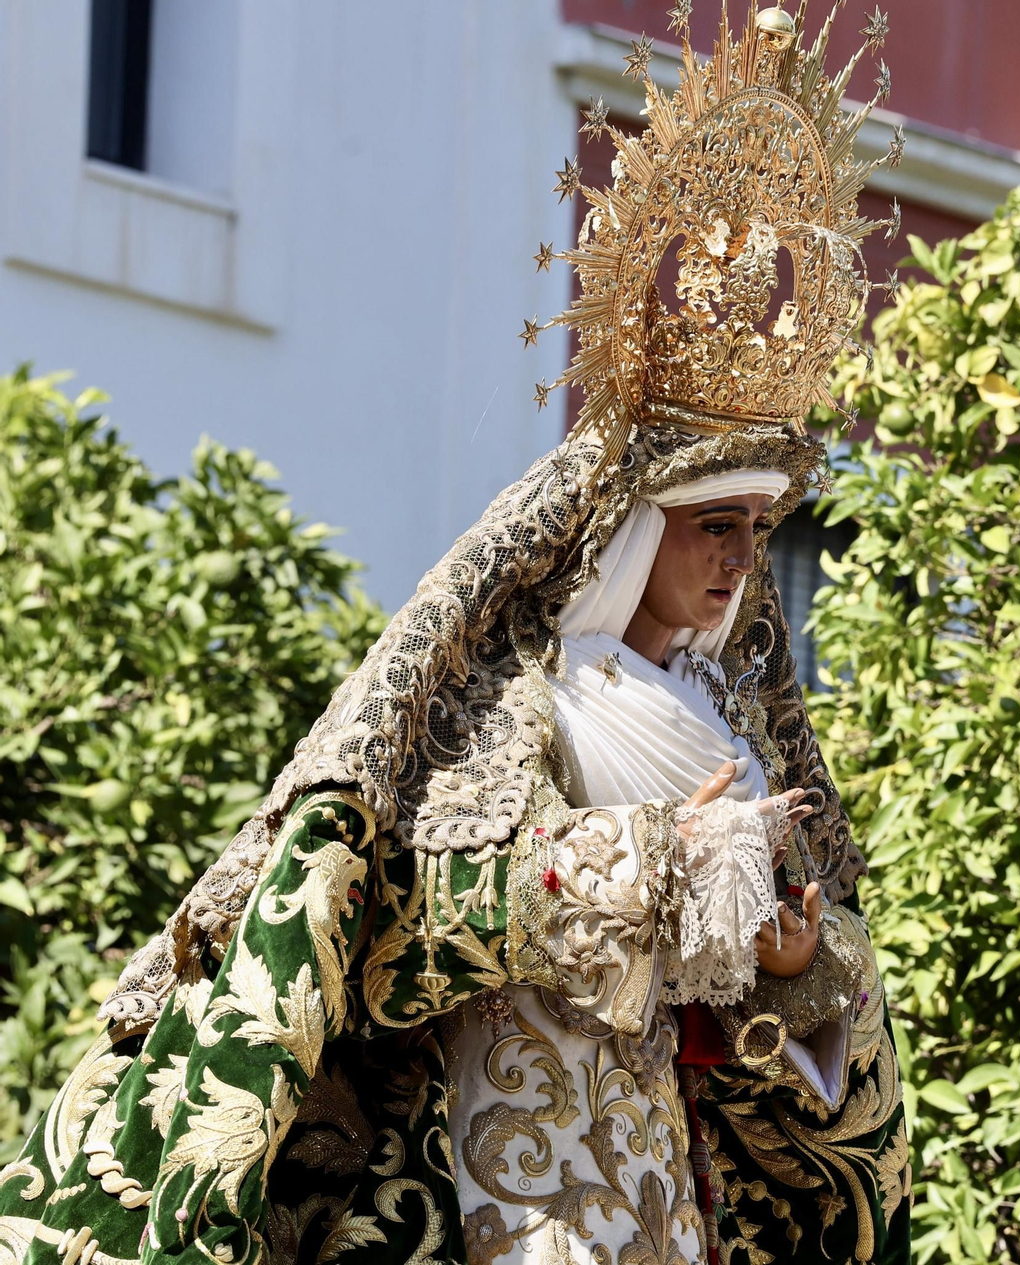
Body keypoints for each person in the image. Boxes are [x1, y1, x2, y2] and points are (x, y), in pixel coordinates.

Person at [0, 4, 909, 1265]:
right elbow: (402, 913)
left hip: (660, 1172)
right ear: (629, 530)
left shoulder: (735, 722)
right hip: (497, 1164)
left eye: (760, 525)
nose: (742, 558)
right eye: (712, 521)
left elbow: (784, 1022)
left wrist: (794, 958)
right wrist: (648, 864)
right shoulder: (506, 689)